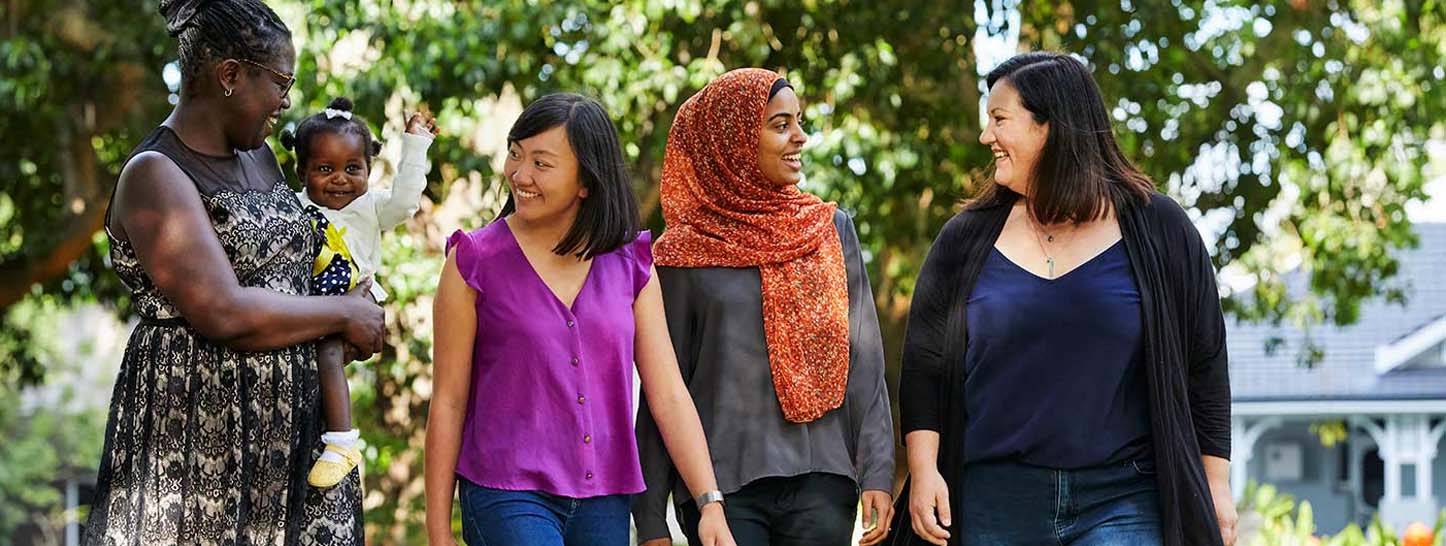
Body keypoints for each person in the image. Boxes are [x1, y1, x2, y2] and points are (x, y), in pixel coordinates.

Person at [897, 51, 1235, 546]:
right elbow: (923, 365)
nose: (985, 136)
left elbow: (1206, 363)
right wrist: (924, 469)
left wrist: (1217, 486)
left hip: (1124, 499)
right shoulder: (964, 240)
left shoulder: (1160, 228)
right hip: (996, 499)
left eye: (999, 119)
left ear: (1049, 127)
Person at [85, 1, 383, 544]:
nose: (287, 101)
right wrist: (345, 312)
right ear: (229, 75)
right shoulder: (156, 173)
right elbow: (223, 310)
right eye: (280, 82)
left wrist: (351, 299)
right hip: (199, 439)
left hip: (295, 439)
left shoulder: (261, 157)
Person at [424, 93, 736, 546]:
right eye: (515, 153)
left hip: (606, 499)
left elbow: (668, 393)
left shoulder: (632, 265)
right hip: (507, 493)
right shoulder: (473, 261)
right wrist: (438, 533)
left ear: (586, 181)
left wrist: (710, 503)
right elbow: (448, 402)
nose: (520, 174)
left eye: (541, 163)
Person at [635, 68, 896, 546]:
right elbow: (663, 388)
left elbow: (865, 361)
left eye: (798, 121)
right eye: (780, 125)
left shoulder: (830, 230)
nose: (800, 137)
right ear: (731, 140)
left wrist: (877, 469)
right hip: (721, 489)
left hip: (823, 479)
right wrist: (651, 517)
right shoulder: (683, 254)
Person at [278, 97, 437, 488]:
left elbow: (406, 202)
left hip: (356, 301)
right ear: (301, 171)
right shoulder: (294, 208)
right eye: (324, 169)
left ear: (369, 168)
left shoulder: (372, 206)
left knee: (328, 352)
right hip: (313, 305)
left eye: (353, 168)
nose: (340, 179)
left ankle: (343, 442)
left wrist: (416, 145)